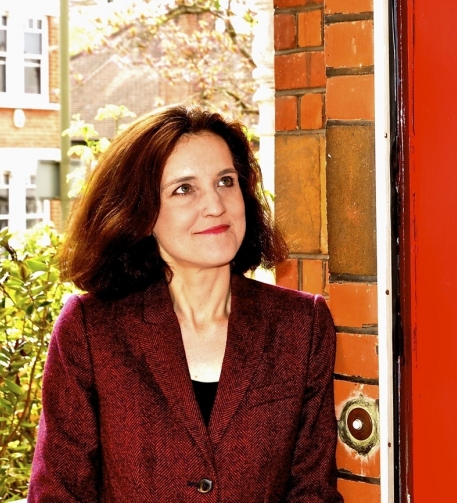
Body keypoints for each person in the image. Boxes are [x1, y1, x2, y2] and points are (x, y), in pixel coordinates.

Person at [28, 106, 343, 502]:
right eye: (184, 189)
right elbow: (58, 492)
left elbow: (312, 491)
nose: (215, 205)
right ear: (142, 213)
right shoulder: (92, 330)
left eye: (226, 182)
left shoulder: (301, 325)